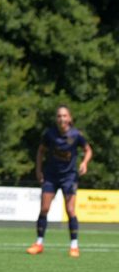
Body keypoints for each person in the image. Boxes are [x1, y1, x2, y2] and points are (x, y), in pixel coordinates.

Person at [27, 105, 92, 257]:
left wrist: (84, 163)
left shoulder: (76, 135)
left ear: (69, 118)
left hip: (69, 177)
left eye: (64, 116)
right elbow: (40, 151)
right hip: (50, 176)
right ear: (56, 119)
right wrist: (38, 170)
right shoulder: (49, 134)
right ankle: (39, 243)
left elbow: (88, 150)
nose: (62, 119)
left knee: (70, 210)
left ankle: (74, 246)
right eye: (59, 116)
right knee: (44, 209)